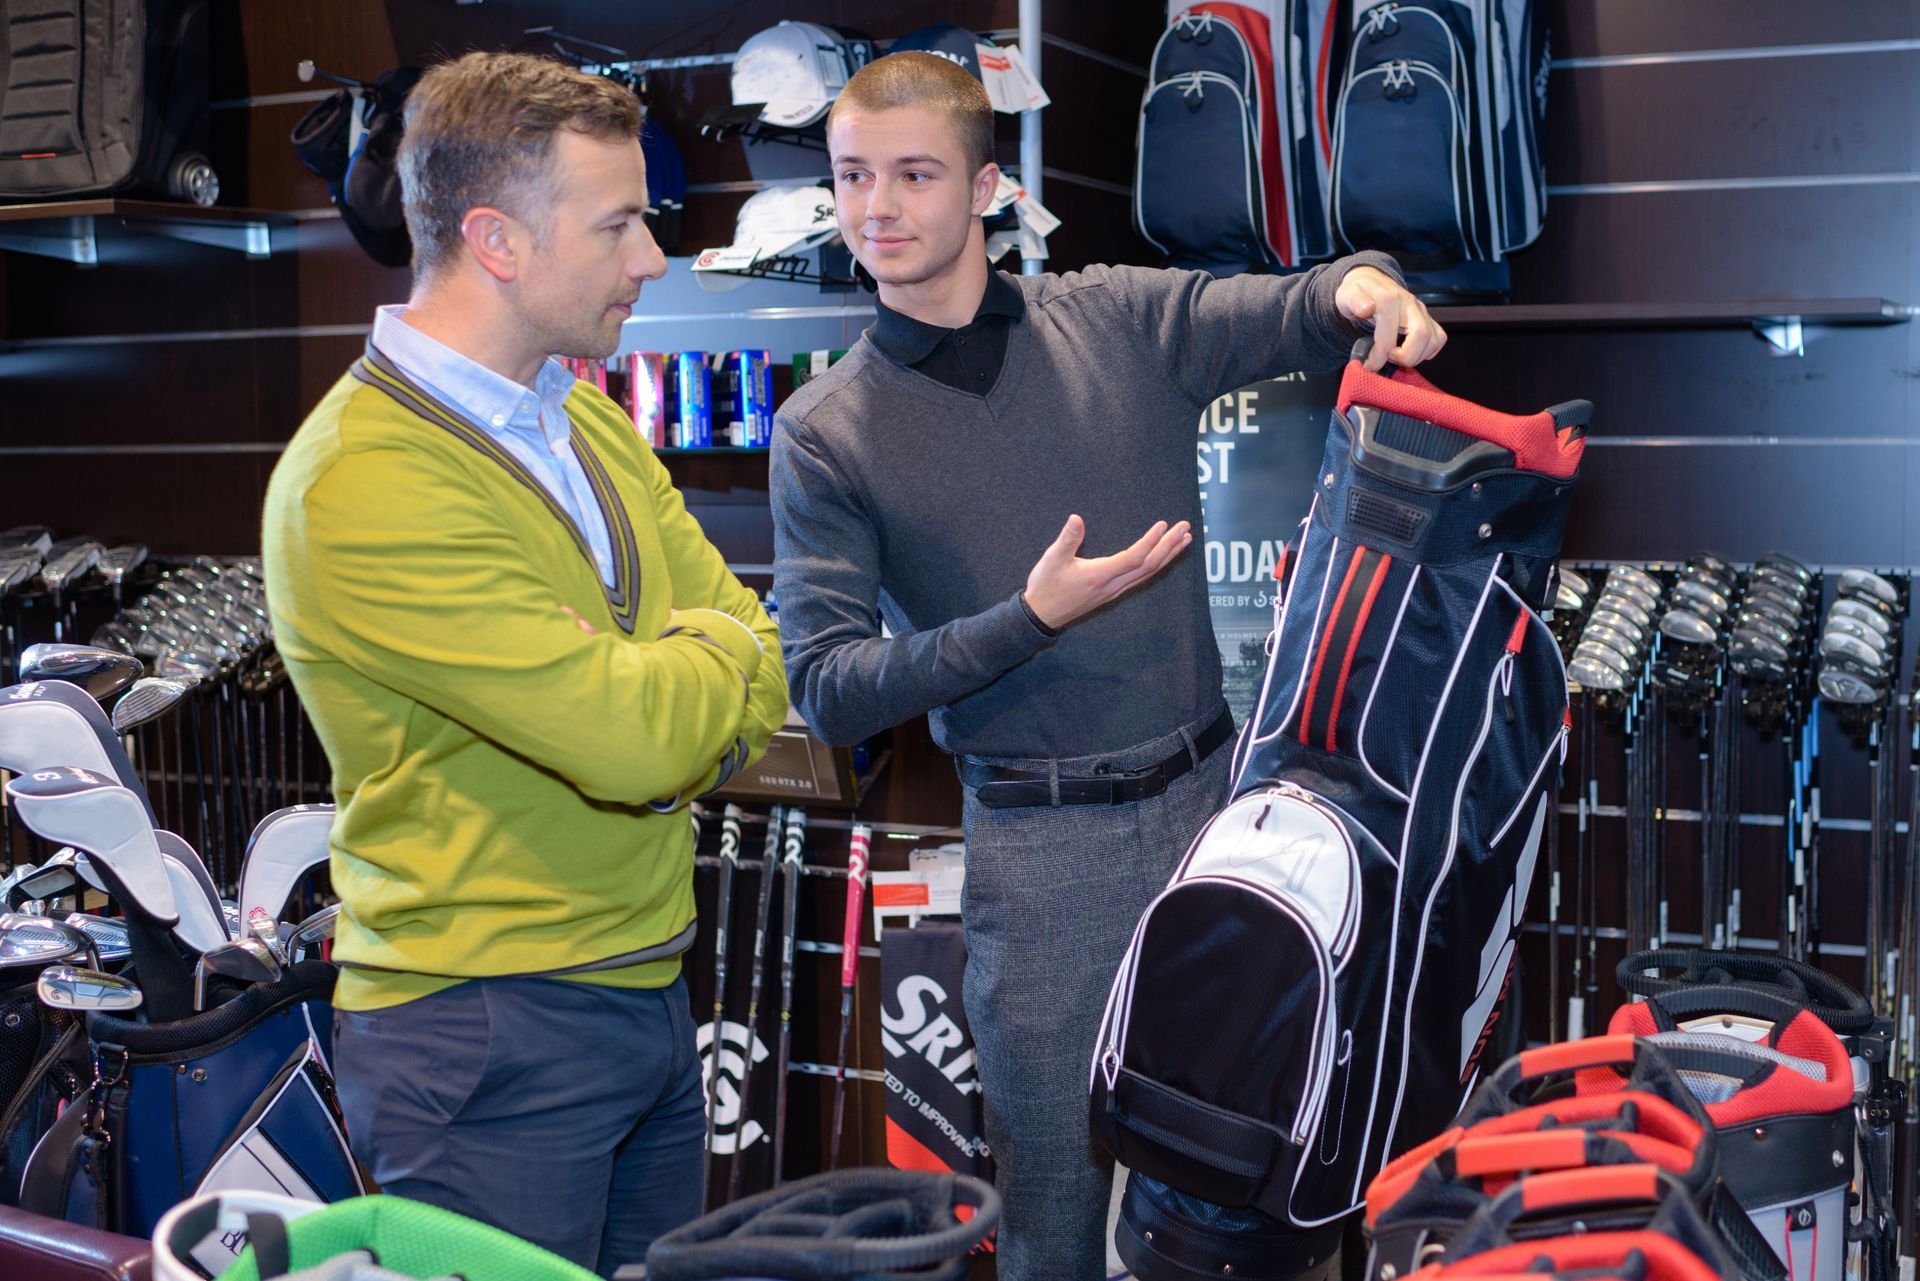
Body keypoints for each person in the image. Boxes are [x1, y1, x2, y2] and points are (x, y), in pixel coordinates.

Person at [769, 52, 1445, 1281]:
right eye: (853, 176)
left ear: (982, 187)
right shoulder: (827, 429)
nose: (878, 207)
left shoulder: (1118, 320)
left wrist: (1370, 284)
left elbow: (1302, 303)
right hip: (1039, 858)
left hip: (1209, 818)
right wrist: (1025, 618)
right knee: (1055, 1225)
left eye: (913, 174)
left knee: (1246, 1187)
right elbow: (824, 683)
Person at [262, 52, 787, 1277]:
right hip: (485, 1031)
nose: (651, 257)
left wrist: (692, 666)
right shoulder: (363, 482)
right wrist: (695, 672)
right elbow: (637, 739)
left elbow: (756, 643)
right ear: (496, 239)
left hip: (648, 989)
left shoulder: (582, 411)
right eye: (618, 224)